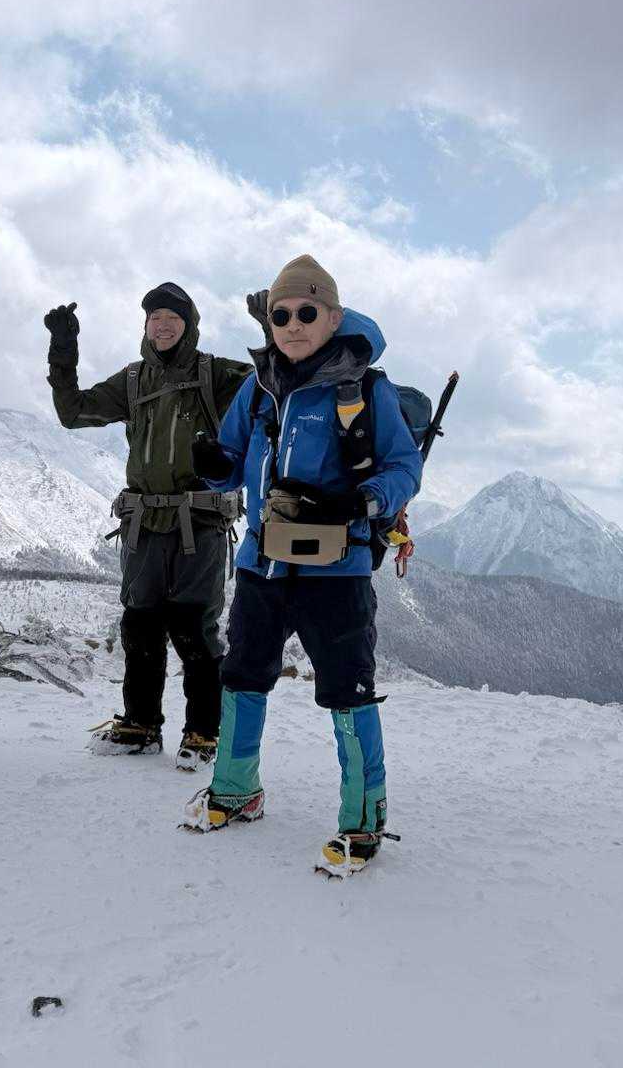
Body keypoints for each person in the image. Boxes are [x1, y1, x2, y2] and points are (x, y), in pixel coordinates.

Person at [182, 255, 422, 877]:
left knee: (349, 690)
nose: (291, 324)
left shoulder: (366, 388)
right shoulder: (259, 385)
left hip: (337, 573)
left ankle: (363, 822)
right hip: (263, 563)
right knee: (242, 676)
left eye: (306, 313)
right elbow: (232, 462)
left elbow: (403, 468)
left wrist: (365, 499)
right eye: (281, 314)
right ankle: (236, 791)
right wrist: (210, 461)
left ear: (333, 317)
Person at [44, 284, 251, 767]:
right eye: (155, 317)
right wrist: (63, 349)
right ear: (145, 326)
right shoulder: (134, 380)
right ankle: (140, 724)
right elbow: (72, 412)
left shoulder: (215, 374)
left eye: (172, 318)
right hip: (143, 523)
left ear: (189, 325)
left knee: (195, 630)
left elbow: (268, 393)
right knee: (140, 625)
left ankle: (203, 733)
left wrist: (269, 329)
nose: (163, 325)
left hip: (198, 521)